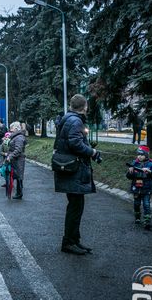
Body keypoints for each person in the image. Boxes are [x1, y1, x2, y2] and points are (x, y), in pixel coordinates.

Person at [54, 94, 100, 255]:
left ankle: (74, 240)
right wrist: (92, 152)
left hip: (71, 168)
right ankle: (68, 242)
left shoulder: (69, 119)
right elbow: (75, 143)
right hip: (74, 169)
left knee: (76, 206)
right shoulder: (75, 121)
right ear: (84, 107)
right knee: (75, 207)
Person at [126, 145, 152, 230]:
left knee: (146, 204)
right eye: (138, 154)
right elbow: (128, 176)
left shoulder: (151, 164)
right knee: (136, 204)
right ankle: (137, 217)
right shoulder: (134, 163)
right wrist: (130, 172)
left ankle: (147, 220)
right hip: (136, 188)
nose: (139, 156)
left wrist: (150, 171)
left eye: (142, 155)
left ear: (146, 155)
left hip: (146, 188)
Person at [5, 122, 27, 199]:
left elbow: (18, 149)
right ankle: (18, 192)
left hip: (18, 159)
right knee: (17, 176)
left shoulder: (19, 137)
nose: (10, 130)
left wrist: (10, 156)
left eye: (12, 128)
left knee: (19, 176)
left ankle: (19, 193)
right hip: (16, 159)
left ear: (16, 128)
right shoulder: (16, 137)